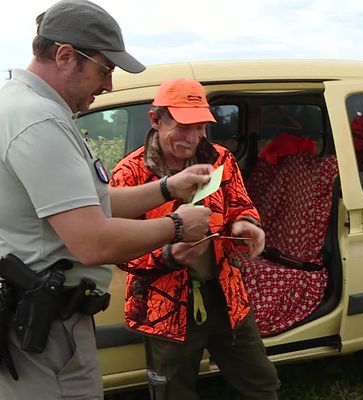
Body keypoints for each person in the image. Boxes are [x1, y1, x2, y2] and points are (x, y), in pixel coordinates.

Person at [0, 1, 215, 399]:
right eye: (105, 69)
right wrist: (181, 225)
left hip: (37, 321)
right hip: (48, 333)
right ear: (65, 56)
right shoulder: (40, 121)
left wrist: (167, 188)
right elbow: (92, 240)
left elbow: (89, 204)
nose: (109, 86)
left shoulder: (19, 106)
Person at [109, 78, 280, 400]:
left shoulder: (220, 159)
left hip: (226, 295)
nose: (193, 137)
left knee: (261, 383)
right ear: (156, 120)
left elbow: (241, 204)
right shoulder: (129, 175)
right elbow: (118, 248)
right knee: (173, 392)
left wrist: (246, 224)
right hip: (165, 307)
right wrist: (168, 255)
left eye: (200, 127)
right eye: (183, 126)